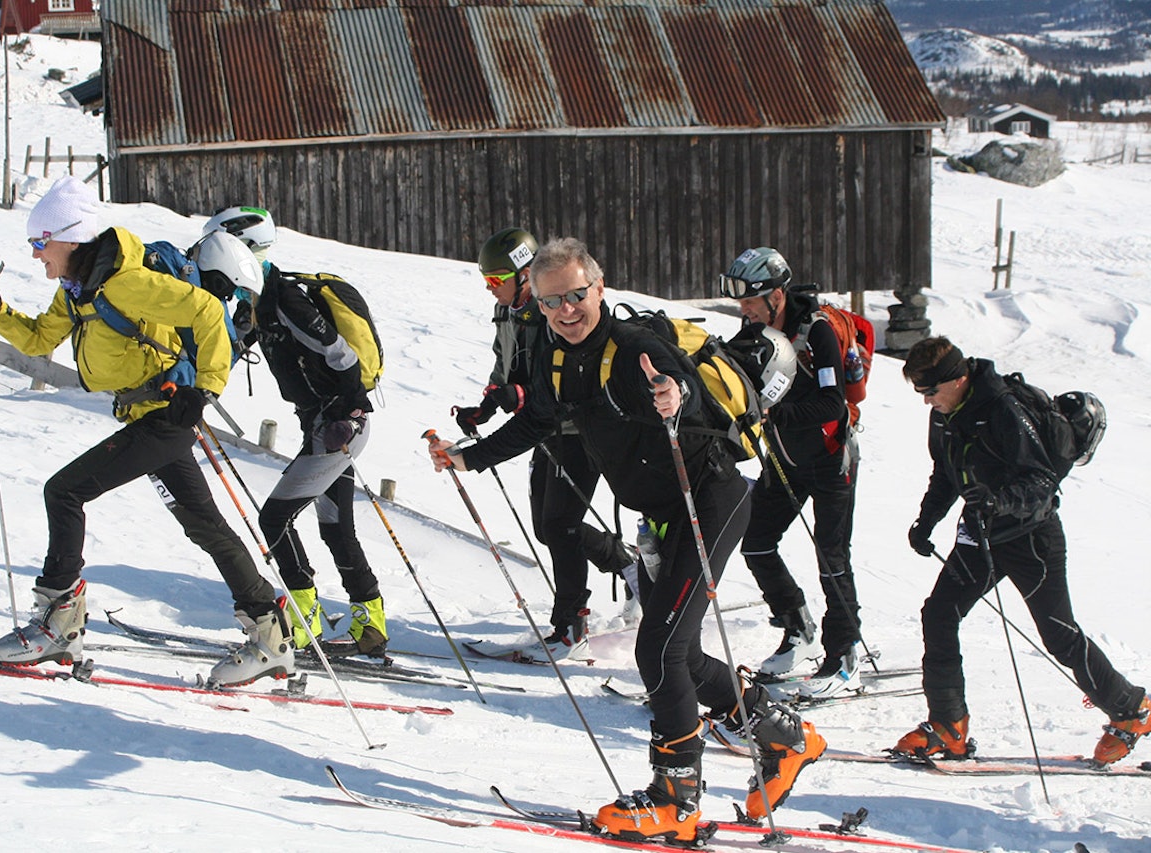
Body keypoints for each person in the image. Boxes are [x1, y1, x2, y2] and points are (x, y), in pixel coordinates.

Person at [427, 238, 825, 839]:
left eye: (576, 295)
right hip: (663, 517)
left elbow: (681, 384)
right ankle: (784, 737)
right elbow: (538, 420)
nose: (566, 309)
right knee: (681, 654)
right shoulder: (555, 356)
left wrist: (674, 395)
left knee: (659, 650)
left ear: (599, 287)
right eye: (552, 299)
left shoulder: (635, 346)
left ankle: (676, 799)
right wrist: (469, 457)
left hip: (708, 503)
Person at [0, 175, 290, 688]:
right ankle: (270, 633)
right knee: (204, 526)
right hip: (147, 417)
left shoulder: (125, 282)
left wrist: (205, 389)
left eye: (40, 242)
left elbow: (204, 312)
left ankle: (58, 623)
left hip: (166, 416)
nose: (35, 253)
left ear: (69, 238)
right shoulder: (78, 289)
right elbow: (40, 340)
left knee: (64, 492)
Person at [897, 336, 1148, 765]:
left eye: (930, 390)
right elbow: (945, 472)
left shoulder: (1004, 410)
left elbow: (1041, 482)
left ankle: (1132, 710)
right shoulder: (944, 415)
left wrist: (999, 501)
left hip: (1031, 537)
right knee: (939, 613)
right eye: (920, 392)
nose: (926, 400)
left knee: (1059, 636)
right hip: (980, 534)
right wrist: (927, 521)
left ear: (957, 379)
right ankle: (949, 725)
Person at [204, 207, 388, 658]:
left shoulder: (286, 300)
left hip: (339, 426)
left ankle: (303, 620)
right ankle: (370, 624)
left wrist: (350, 412)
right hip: (321, 425)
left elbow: (340, 354)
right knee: (336, 527)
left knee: (274, 519)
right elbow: (227, 351)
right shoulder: (255, 303)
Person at [453, 227, 638, 661]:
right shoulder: (507, 313)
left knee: (560, 525)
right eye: (486, 280)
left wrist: (518, 396)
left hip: (579, 429)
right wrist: (486, 406)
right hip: (541, 429)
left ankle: (571, 626)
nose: (490, 288)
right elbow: (505, 367)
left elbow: (560, 378)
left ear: (524, 274)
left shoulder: (554, 313)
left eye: (496, 279)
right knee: (547, 527)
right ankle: (629, 564)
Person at [722, 247, 864, 698]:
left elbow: (832, 403)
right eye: (742, 302)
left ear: (777, 295)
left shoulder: (816, 332)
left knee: (832, 556)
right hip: (784, 459)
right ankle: (798, 630)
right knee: (757, 543)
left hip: (831, 459)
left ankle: (844, 654)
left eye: (751, 300)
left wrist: (775, 416)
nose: (744, 309)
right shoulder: (754, 332)